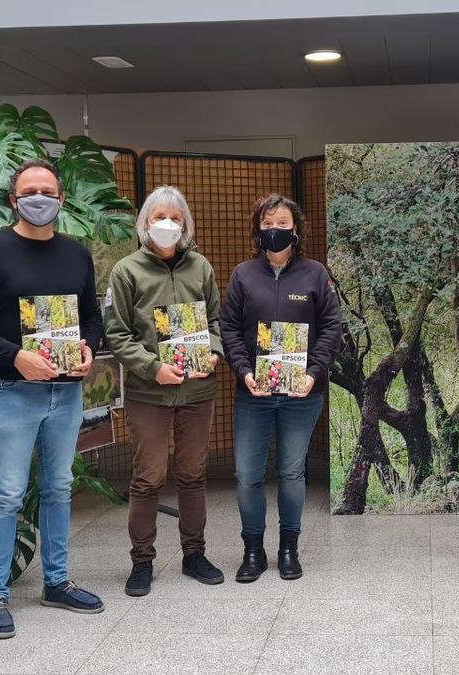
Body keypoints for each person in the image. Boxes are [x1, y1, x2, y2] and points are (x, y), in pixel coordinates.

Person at [0, 159, 103, 639]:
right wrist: (16, 357)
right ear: (14, 200)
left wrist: (88, 349)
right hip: (13, 391)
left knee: (59, 488)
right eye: (29, 191)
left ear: (61, 198)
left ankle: (56, 581)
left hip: (66, 391)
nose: (40, 198)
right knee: (8, 494)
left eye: (48, 190)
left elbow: (92, 318)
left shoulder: (77, 254)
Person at [104, 186, 225, 595]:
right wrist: (152, 368)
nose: (167, 224)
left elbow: (217, 322)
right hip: (149, 394)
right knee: (148, 478)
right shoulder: (127, 271)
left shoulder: (201, 268)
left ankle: (194, 553)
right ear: (144, 223)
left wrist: (212, 352)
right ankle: (142, 561)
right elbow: (117, 334)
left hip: (196, 393)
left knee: (193, 475)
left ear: (186, 224)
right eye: (159, 217)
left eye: (175, 218)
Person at [220, 194, 342, 582]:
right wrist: (242, 370)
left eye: (283, 223)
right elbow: (228, 328)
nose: (275, 230)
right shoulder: (242, 275)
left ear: (296, 228)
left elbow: (331, 328)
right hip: (252, 393)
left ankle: (289, 549)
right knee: (247, 475)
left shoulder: (315, 274)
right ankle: (252, 551)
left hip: (302, 394)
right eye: (268, 223)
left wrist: (313, 372)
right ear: (258, 229)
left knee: (291, 472)